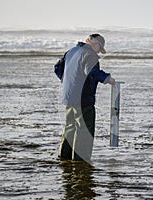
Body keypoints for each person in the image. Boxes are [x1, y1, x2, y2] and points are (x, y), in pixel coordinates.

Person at [59, 33, 115, 162]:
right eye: (98, 48)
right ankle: (80, 160)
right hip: (83, 99)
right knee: (84, 129)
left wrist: (70, 83)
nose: (98, 52)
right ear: (93, 42)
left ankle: (65, 157)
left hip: (69, 97)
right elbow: (91, 72)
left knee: (70, 127)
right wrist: (107, 79)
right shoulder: (90, 54)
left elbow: (58, 68)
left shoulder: (71, 51)